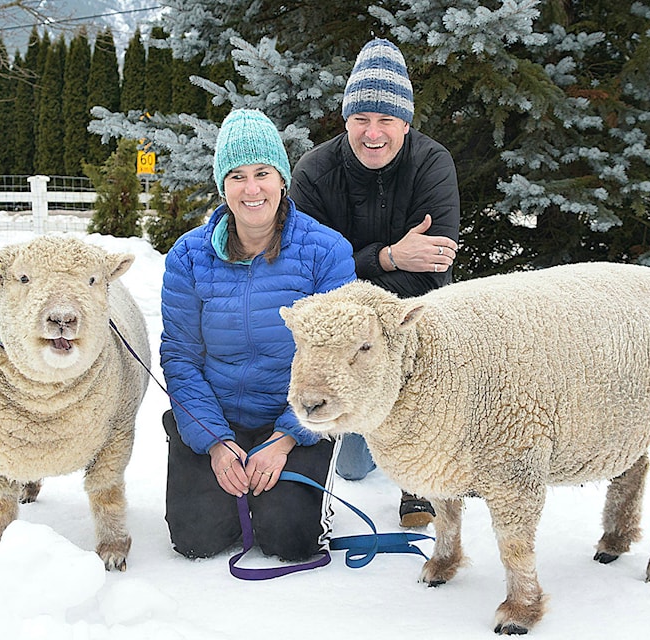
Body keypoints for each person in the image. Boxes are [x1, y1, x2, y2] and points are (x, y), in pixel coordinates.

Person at [160, 109, 355, 562]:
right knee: (195, 540)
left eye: (263, 173)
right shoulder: (188, 256)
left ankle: (300, 496)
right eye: (237, 176)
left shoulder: (326, 252)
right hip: (218, 417)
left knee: (290, 540)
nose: (252, 189)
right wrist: (214, 440)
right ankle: (221, 479)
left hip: (297, 417)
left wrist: (286, 437)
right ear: (222, 186)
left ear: (282, 179)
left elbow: (336, 361)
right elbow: (181, 356)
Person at [289, 38, 461, 528]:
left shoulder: (432, 164)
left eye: (386, 120)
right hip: (341, 332)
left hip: (417, 316)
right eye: (361, 119)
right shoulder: (315, 173)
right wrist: (390, 255)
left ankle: (419, 483)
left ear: (405, 122)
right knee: (354, 465)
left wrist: (363, 270)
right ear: (345, 120)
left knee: (420, 383)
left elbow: (435, 260)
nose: (373, 133)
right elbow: (312, 275)